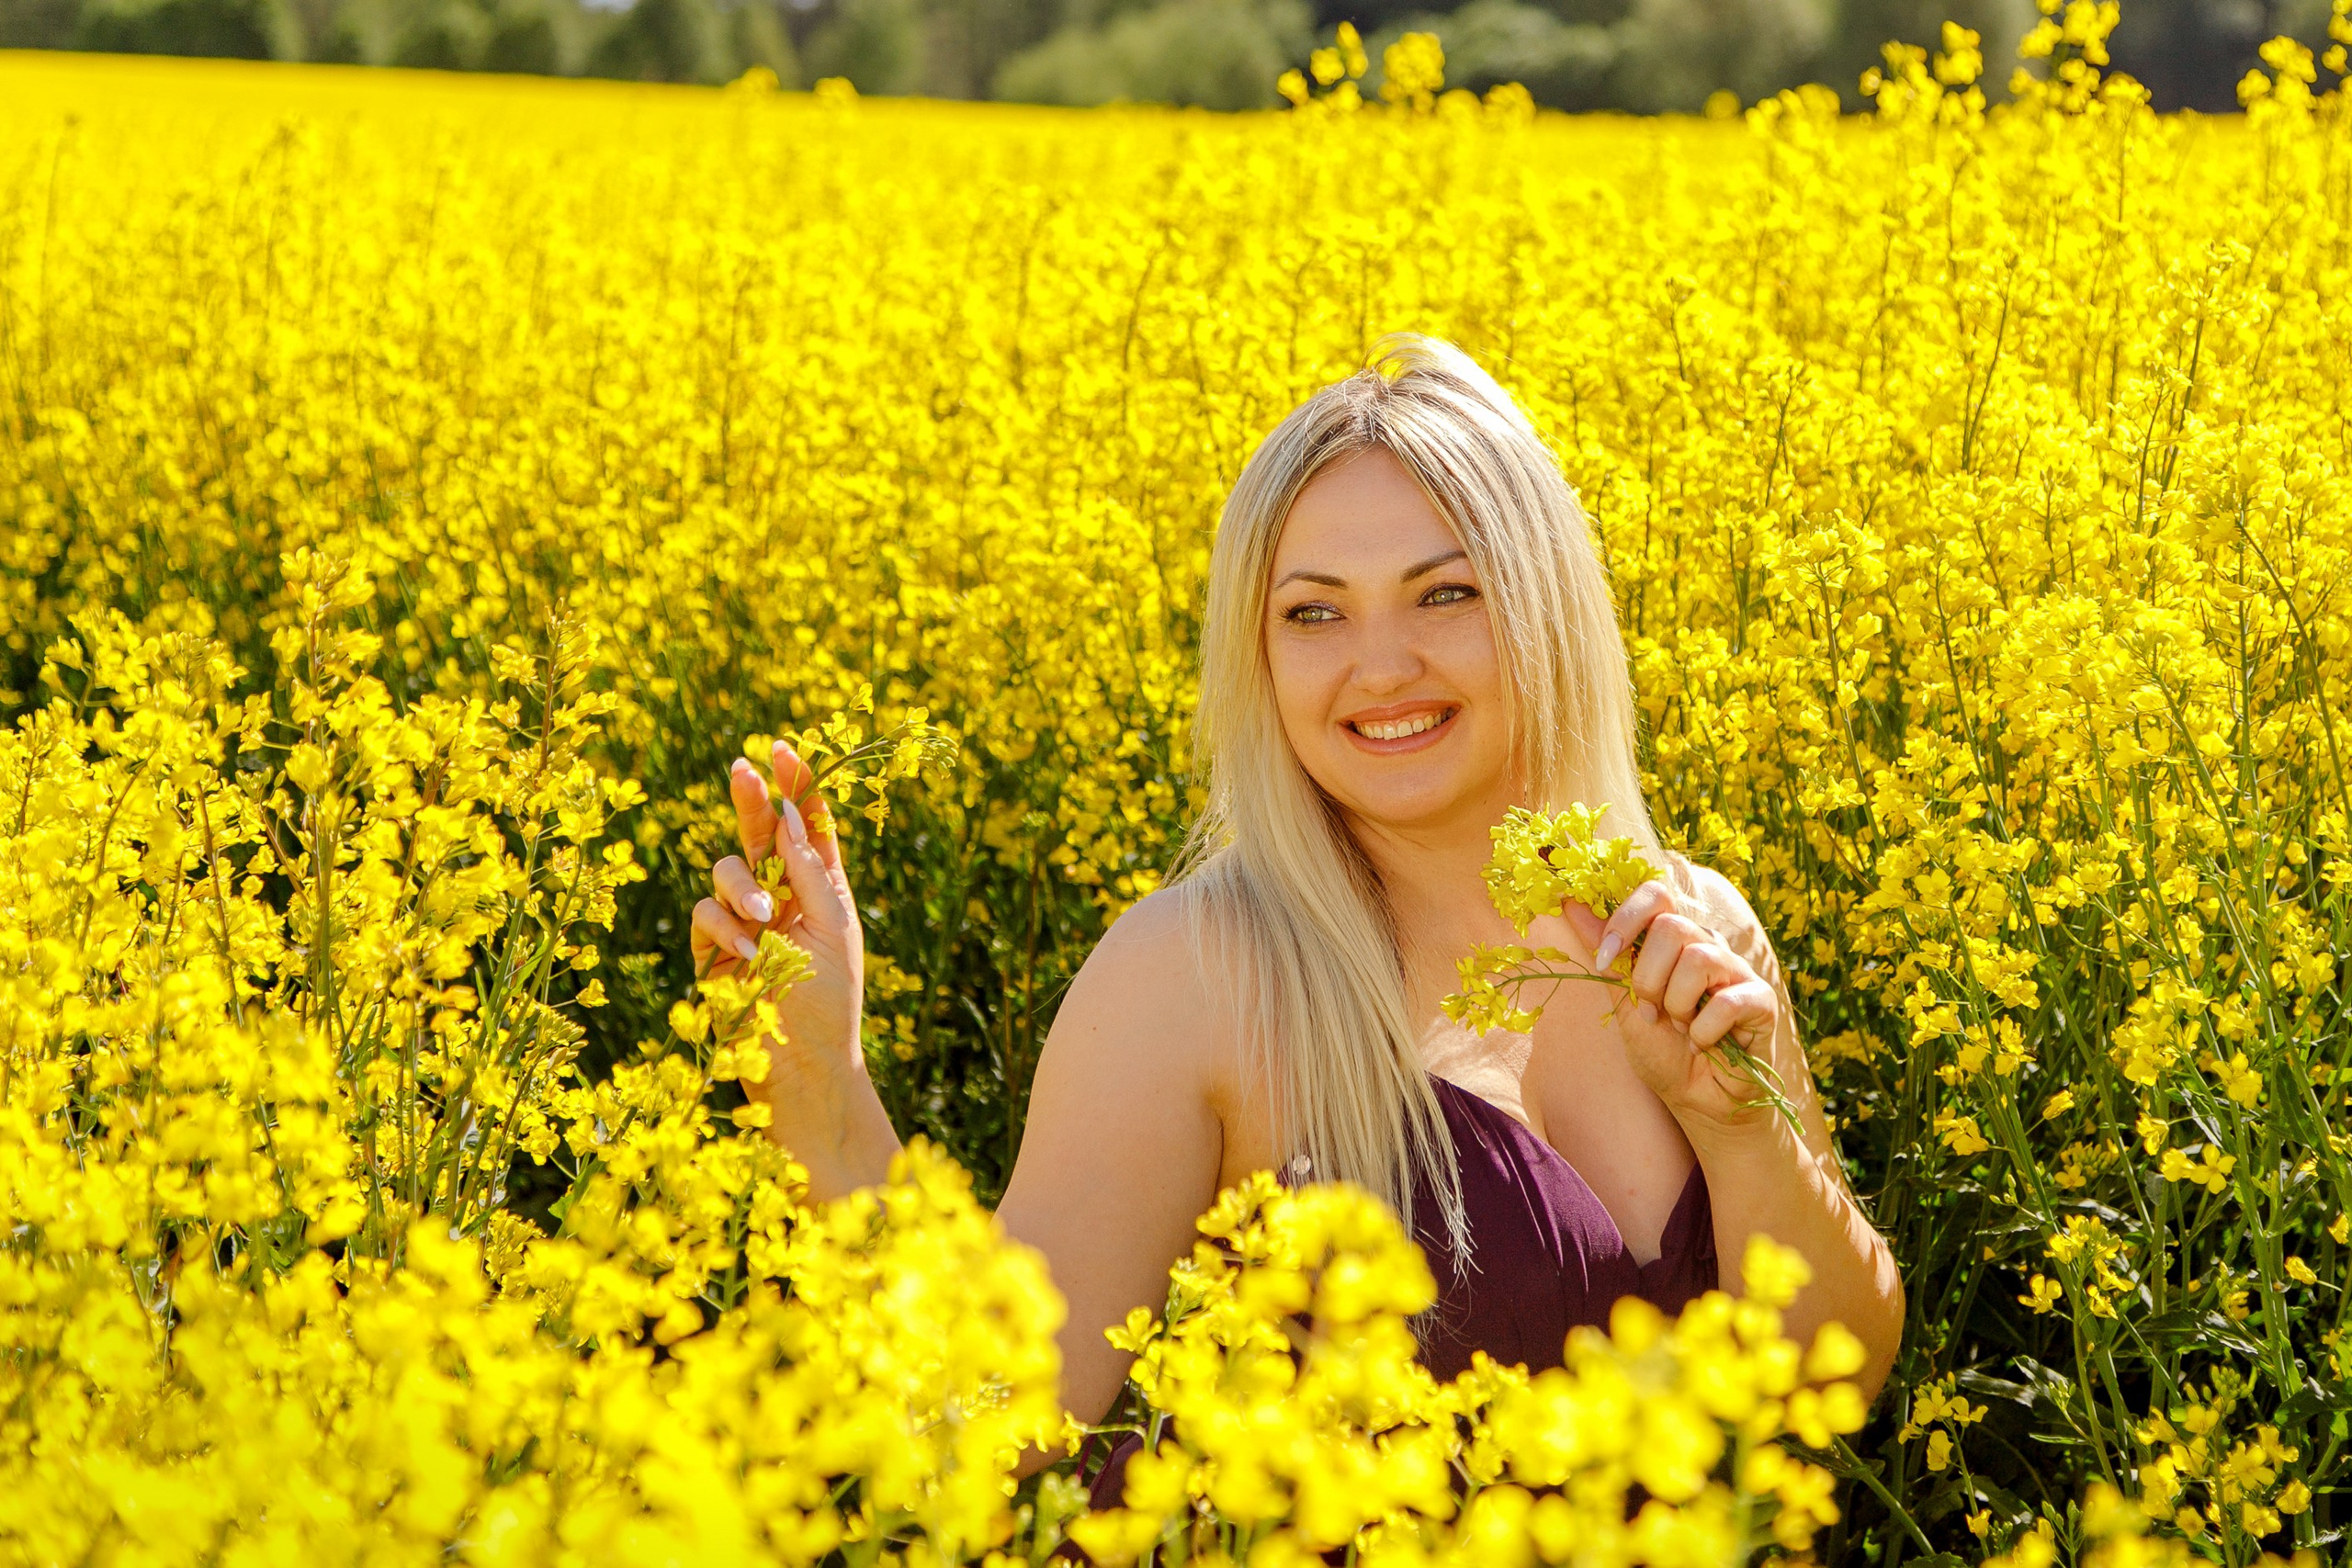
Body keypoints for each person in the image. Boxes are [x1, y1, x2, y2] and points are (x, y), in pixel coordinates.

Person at [689, 333, 1905, 1489]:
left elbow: (1826, 1385)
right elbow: (991, 1418)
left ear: (1546, 606)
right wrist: (817, 1088)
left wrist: (1744, 1130)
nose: (1379, 668)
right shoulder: (1200, 974)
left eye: (1445, 595)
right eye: (1313, 613)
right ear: (1257, 657)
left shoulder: (1689, 928)